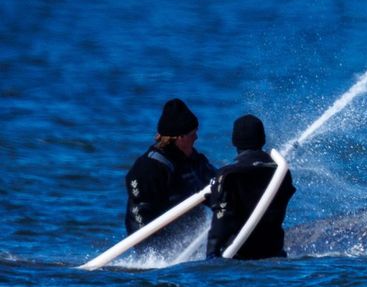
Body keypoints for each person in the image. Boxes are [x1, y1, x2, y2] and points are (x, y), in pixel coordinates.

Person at [124, 98, 217, 247]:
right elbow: (139, 216)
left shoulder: (195, 162)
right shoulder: (148, 168)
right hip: (159, 247)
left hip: (192, 241)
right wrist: (152, 253)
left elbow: (217, 186)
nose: (196, 137)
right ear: (180, 137)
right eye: (193, 133)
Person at [206, 115, 296, 260]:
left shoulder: (228, 174)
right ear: (263, 139)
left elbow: (222, 219)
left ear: (235, 141)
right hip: (274, 252)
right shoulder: (281, 172)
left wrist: (211, 254)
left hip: (237, 255)